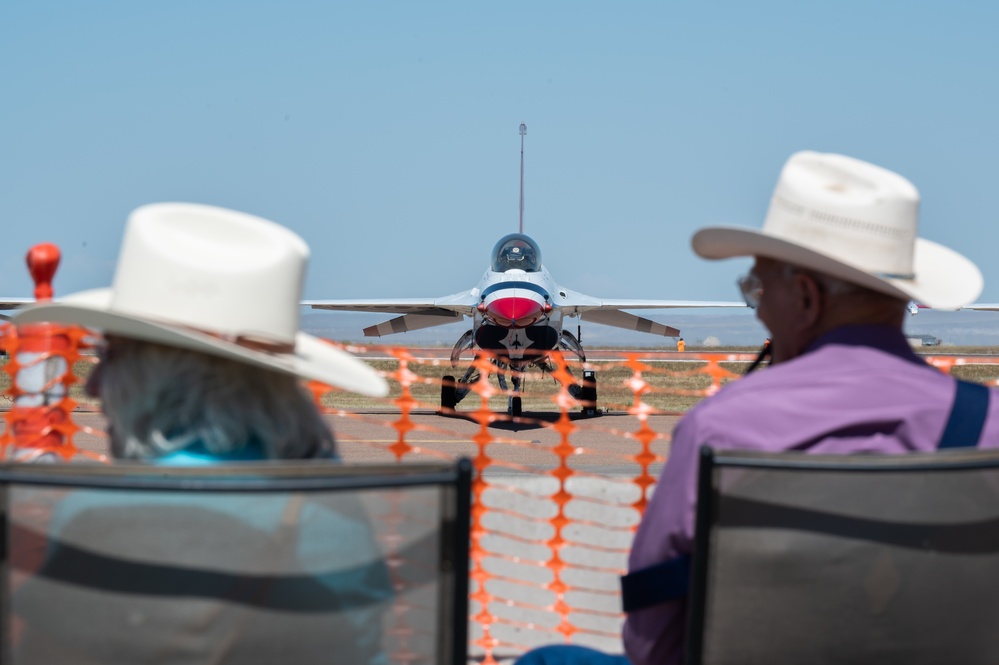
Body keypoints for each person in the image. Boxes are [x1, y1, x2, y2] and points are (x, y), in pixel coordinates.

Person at [516, 150, 999, 665]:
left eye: (757, 288)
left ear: (808, 299)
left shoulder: (722, 427)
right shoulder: (987, 423)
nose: (758, 307)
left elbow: (653, 639)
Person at [9, 203, 393, 663]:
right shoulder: (340, 514)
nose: (92, 385)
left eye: (111, 356)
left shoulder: (98, 515)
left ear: (165, 376)